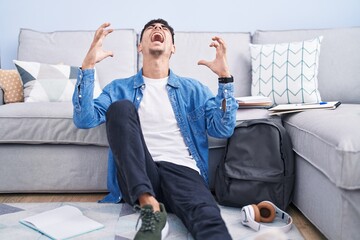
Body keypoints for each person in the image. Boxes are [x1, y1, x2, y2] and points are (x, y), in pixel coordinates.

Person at [72, 19, 238, 240]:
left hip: (183, 170)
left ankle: (155, 207)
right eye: (151, 28)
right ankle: (149, 204)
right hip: (139, 176)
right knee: (120, 108)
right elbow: (84, 120)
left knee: (208, 218)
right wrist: (88, 66)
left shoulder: (194, 89)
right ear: (140, 46)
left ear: (173, 48)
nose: (158, 29)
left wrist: (225, 78)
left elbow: (223, 129)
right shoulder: (118, 88)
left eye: (164, 29)